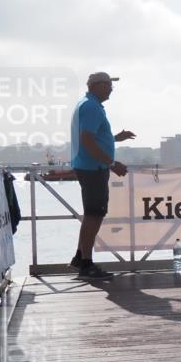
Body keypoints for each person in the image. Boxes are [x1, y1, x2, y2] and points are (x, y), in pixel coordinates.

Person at [69, 72, 135, 280]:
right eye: (108, 85)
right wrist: (111, 163)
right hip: (93, 169)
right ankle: (87, 265)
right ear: (96, 86)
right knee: (94, 215)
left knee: (92, 214)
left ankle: (80, 257)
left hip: (90, 167)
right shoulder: (91, 107)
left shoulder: (87, 104)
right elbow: (87, 141)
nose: (111, 89)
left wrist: (115, 138)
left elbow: (94, 138)